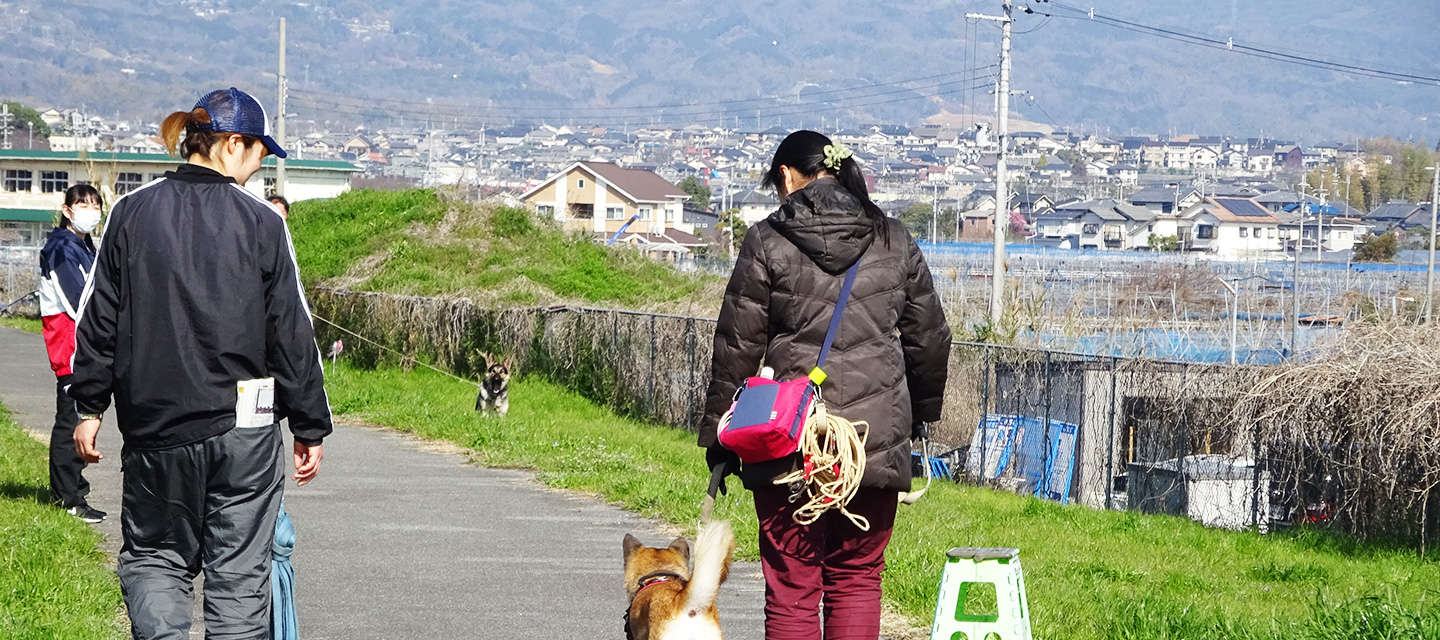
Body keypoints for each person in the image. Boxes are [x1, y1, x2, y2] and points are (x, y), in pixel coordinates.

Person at [68, 87, 332, 640]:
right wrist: (309, 424)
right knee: (239, 578)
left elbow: (99, 317)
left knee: (156, 560)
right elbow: (291, 333)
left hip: (155, 428)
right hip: (246, 433)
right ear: (232, 143)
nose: (262, 166)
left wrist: (89, 406)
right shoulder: (263, 224)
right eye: (261, 151)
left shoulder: (131, 214)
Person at [699, 130, 951, 640]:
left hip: (787, 439)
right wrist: (919, 417)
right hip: (872, 440)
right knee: (857, 580)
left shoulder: (767, 239)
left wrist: (718, 440)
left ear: (788, 176)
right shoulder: (893, 238)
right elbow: (929, 339)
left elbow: (737, 346)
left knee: (792, 589)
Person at [39, 184, 105, 523]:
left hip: (81, 344)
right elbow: (79, 300)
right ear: (67, 210)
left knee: (81, 417)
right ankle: (67, 498)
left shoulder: (83, 246)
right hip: (70, 345)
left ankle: (73, 489)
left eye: (95, 204)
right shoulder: (62, 248)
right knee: (71, 421)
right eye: (83, 204)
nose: (90, 210)